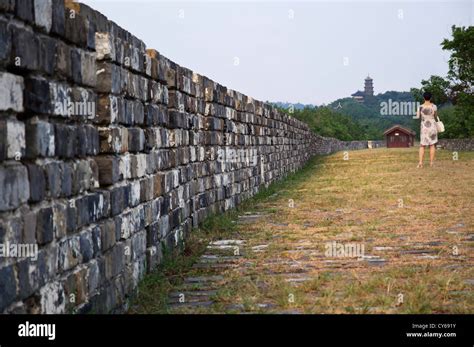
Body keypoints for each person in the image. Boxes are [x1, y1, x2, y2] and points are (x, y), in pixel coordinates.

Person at [417, 92, 439, 168]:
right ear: (431, 98)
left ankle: (420, 163)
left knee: (422, 145)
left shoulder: (420, 107)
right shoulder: (434, 106)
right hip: (432, 126)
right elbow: (436, 116)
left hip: (424, 127)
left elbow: (418, 117)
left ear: (423, 97)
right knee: (432, 145)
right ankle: (431, 163)